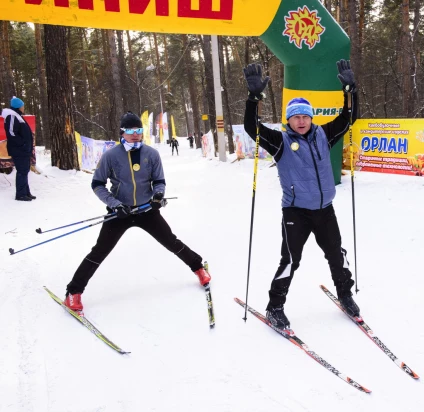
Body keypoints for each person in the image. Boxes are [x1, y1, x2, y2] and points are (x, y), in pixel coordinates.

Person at [243, 60, 359, 330]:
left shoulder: (323, 135)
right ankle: (275, 307)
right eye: (296, 117)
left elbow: (349, 118)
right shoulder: (281, 141)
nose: (302, 121)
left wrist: (351, 92)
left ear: (311, 118)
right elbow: (253, 128)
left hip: (325, 210)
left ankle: (345, 294)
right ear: (289, 120)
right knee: (291, 260)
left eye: (305, 116)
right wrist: (253, 98)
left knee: (336, 254)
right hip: (296, 212)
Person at [63, 112, 211, 312]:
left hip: (146, 210)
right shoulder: (110, 156)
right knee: (99, 251)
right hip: (120, 213)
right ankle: (74, 292)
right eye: (131, 131)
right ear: (122, 132)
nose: (135, 134)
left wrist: (158, 197)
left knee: (170, 241)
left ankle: (198, 267)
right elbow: (97, 184)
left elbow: (159, 181)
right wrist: (115, 204)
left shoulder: (151, 154)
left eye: (139, 130)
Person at [2, 96, 36, 201]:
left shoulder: (17, 115)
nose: (23, 107)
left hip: (23, 150)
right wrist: (23, 144)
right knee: (22, 171)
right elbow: (12, 133)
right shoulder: (12, 116)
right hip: (19, 149)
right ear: (18, 106)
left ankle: (26, 192)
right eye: (22, 106)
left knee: (25, 171)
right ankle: (20, 194)